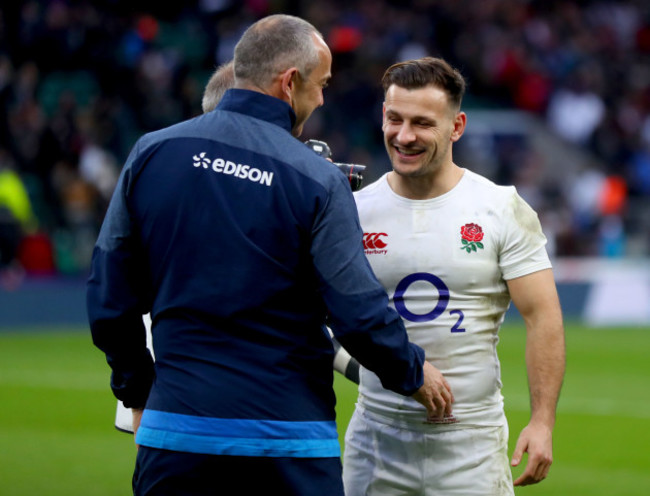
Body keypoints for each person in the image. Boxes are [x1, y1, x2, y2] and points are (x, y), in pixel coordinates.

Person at [87, 15, 451, 496]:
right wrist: (411, 369)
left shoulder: (151, 153)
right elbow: (357, 312)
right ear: (290, 83)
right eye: (320, 86)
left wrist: (137, 393)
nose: (321, 99)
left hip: (175, 434)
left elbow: (109, 300)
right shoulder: (315, 177)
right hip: (288, 445)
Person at [342, 56, 566, 495]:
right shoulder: (353, 211)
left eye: (422, 123)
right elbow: (315, 316)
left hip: (472, 444)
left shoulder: (501, 208)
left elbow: (544, 317)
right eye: (394, 119)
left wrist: (542, 423)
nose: (403, 136)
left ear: (457, 126)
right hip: (376, 440)